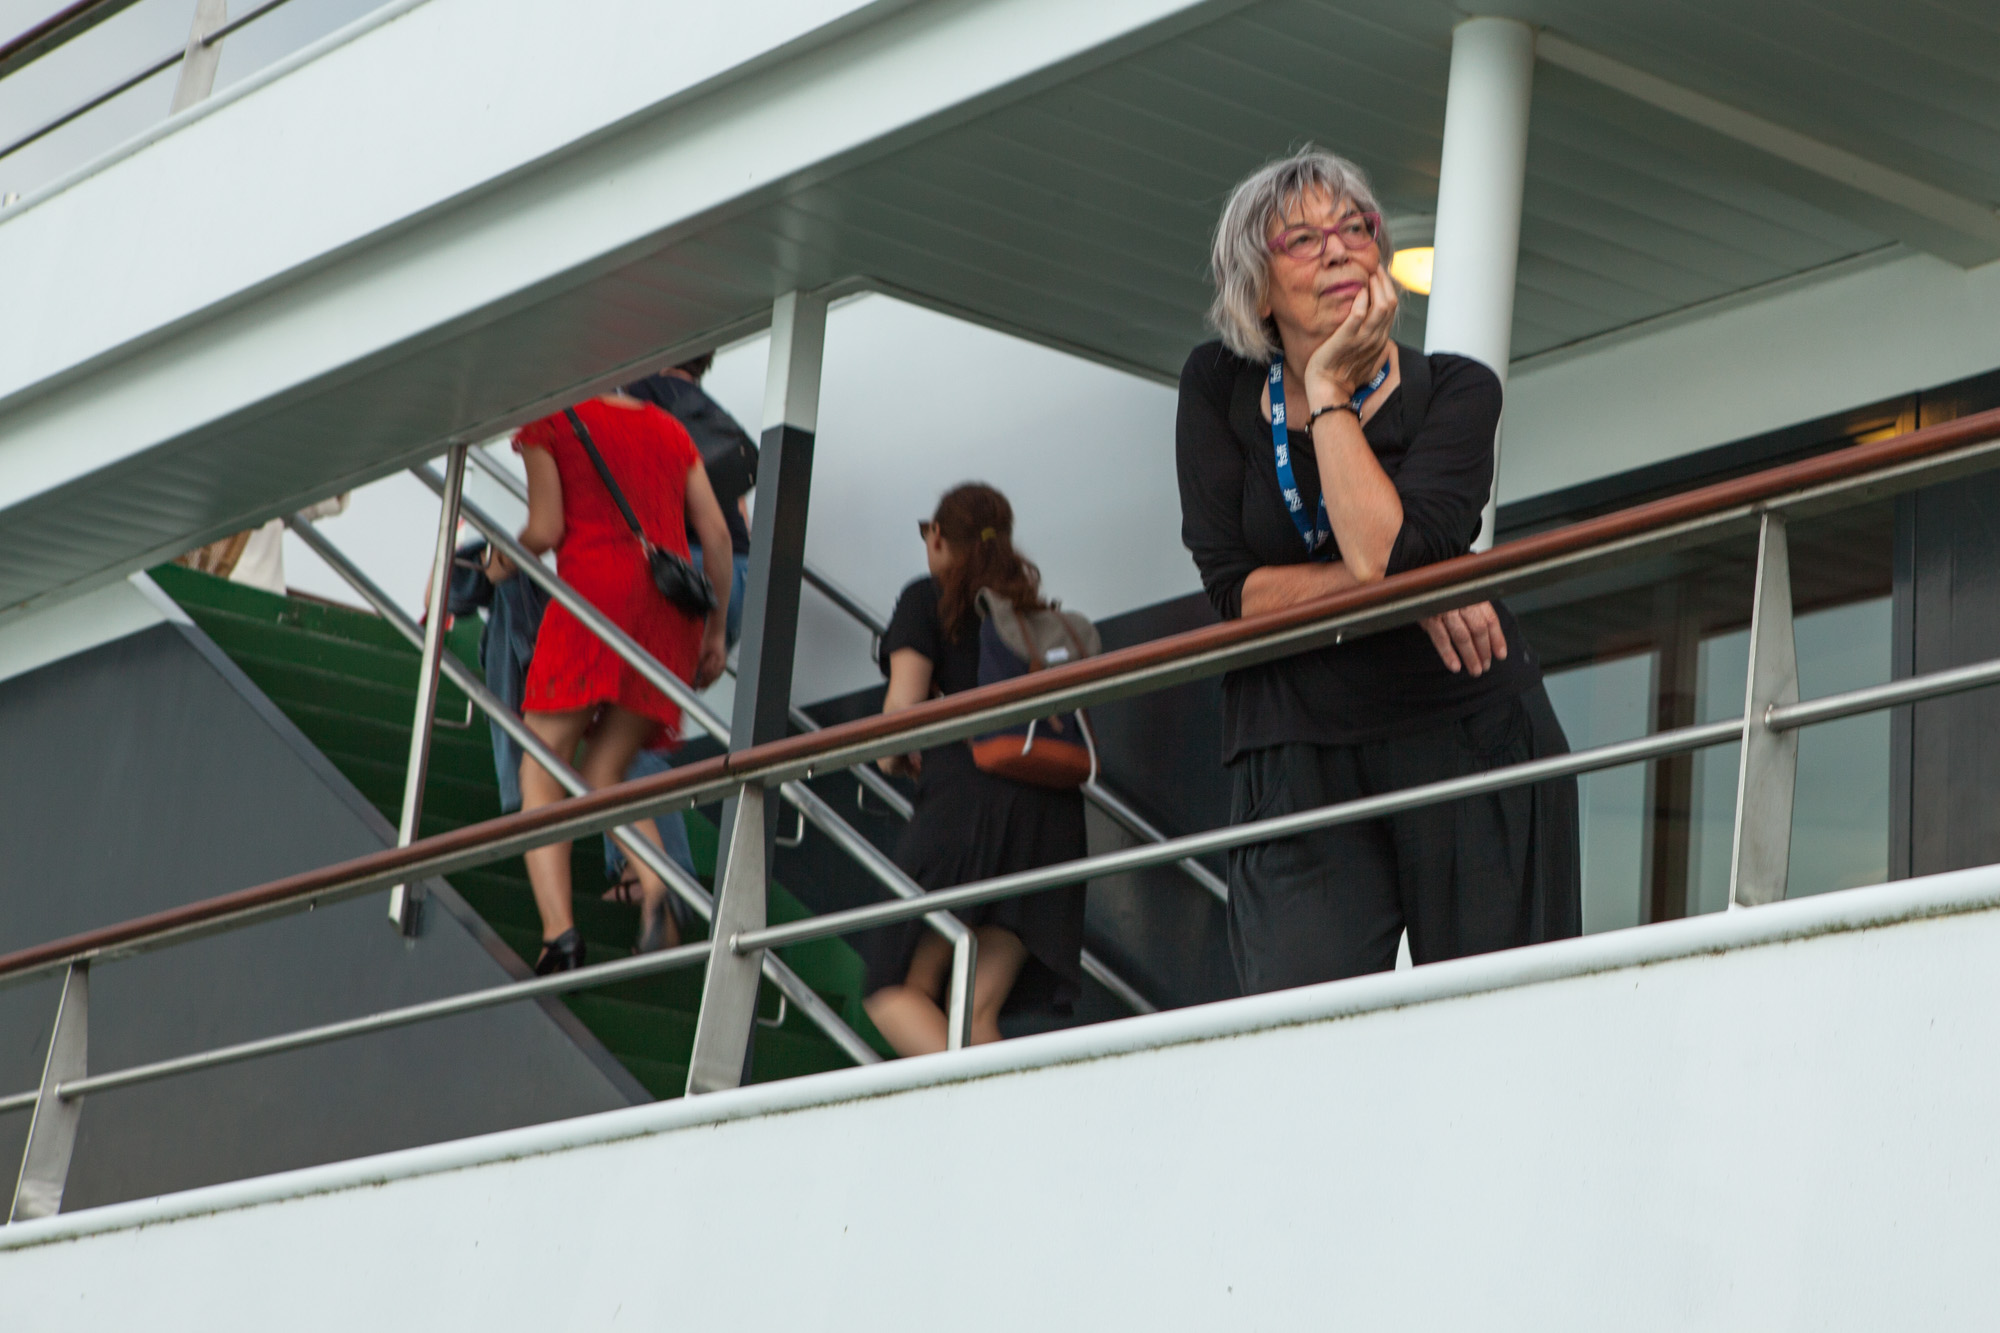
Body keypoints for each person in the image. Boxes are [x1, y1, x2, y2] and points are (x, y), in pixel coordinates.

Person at [1175, 146, 1580, 996]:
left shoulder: (1458, 391)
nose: (1337, 250)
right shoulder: (1216, 385)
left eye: (1354, 228)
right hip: (1295, 751)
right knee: (1302, 1028)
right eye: (1302, 239)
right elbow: (1235, 590)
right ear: (1258, 291)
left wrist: (1327, 387)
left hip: (1470, 729)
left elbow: (1383, 554)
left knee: (1498, 1024)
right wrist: (1413, 590)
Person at [483, 390, 732, 973]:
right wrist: (716, 633)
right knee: (603, 771)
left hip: (593, 602)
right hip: (671, 613)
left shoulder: (550, 417)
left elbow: (545, 528)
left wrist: (499, 562)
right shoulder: (669, 429)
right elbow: (718, 536)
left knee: (540, 766)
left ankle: (560, 936)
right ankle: (656, 883)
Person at [862, 484, 1088, 1055]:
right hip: (1051, 817)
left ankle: (981, 1110)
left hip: (968, 811)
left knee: (894, 988)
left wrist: (893, 757)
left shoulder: (927, 597)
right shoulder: (1030, 611)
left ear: (938, 536)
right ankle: (1008, 1107)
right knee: (973, 1011)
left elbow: (901, 712)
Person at [624, 352, 756, 645]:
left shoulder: (643, 390)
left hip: (684, 568)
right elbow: (738, 503)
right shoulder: (708, 408)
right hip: (737, 571)